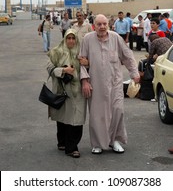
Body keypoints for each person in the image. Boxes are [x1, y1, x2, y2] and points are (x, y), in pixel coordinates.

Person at [80, 14, 140, 154]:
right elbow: (81, 61)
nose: (102, 27)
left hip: (115, 82)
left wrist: (134, 73)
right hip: (96, 83)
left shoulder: (115, 38)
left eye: (104, 24)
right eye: (99, 24)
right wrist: (84, 81)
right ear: (94, 26)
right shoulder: (88, 39)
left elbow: (127, 55)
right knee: (97, 114)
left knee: (117, 110)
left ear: (108, 25)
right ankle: (97, 144)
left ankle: (115, 140)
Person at [46, 29, 87, 158]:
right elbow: (49, 67)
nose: (70, 41)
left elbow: (90, 67)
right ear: (64, 39)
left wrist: (87, 63)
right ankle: (62, 142)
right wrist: (63, 70)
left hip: (78, 91)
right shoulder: (57, 51)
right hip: (61, 90)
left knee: (77, 119)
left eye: (73, 38)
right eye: (68, 38)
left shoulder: (82, 52)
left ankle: (72, 147)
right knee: (63, 118)